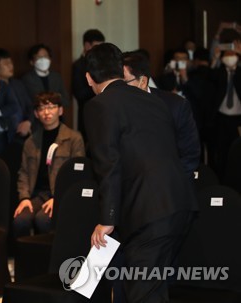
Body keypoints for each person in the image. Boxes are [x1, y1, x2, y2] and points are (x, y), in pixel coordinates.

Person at [84, 43, 197, 303]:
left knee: (142, 292)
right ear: (119, 70)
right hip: (178, 204)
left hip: (149, 211)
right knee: (152, 289)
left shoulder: (99, 105)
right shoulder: (152, 99)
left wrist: (107, 218)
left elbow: (108, 163)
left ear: (89, 78)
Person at [13, 92, 85, 238]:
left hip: (61, 194)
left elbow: (77, 175)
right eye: (41, 108)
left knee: (43, 220)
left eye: (51, 107)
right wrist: (24, 198)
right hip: (37, 195)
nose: (46, 112)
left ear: (60, 110)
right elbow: (24, 172)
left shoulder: (73, 138)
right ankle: (27, 259)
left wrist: (58, 197)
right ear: (36, 113)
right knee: (20, 220)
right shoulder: (31, 141)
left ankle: (48, 259)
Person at [122, 50, 201, 178]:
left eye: (123, 83)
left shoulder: (175, 106)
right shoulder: (112, 106)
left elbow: (190, 154)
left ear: (142, 82)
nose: (118, 89)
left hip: (168, 185)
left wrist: (168, 184)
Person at [210, 47, 241, 179]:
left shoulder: (240, 73)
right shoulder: (220, 73)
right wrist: (215, 58)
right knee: (222, 151)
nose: (230, 56)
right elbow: (209, 76)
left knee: (237, 151)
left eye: (233, 54)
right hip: (221, 118)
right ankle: (221, 179)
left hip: (238, 119)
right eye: (227, 54)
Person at [0, 47, 34, 143]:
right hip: (5, 136)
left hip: (26, 132)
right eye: (6, 64)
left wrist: (28, 122)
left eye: (11, 63)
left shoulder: (18, 84)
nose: (10, 66)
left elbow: (30, 106)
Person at [71, 29, 105, 137]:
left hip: (103, 113)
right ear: (87, 45)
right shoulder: (78, 65)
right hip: (87, 113)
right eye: (96, 46)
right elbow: (79, 93)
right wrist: (99, 87)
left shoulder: (103, 63)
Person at [22, 43, 69, 108]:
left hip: (56, 116)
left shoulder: (56, 77)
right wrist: (57, 96)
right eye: (39, 57)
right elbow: (34, 101)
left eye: (46, 56)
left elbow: (66, 101)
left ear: (50, 60)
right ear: (31, 62)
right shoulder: (27, 79)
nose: (43, 60)